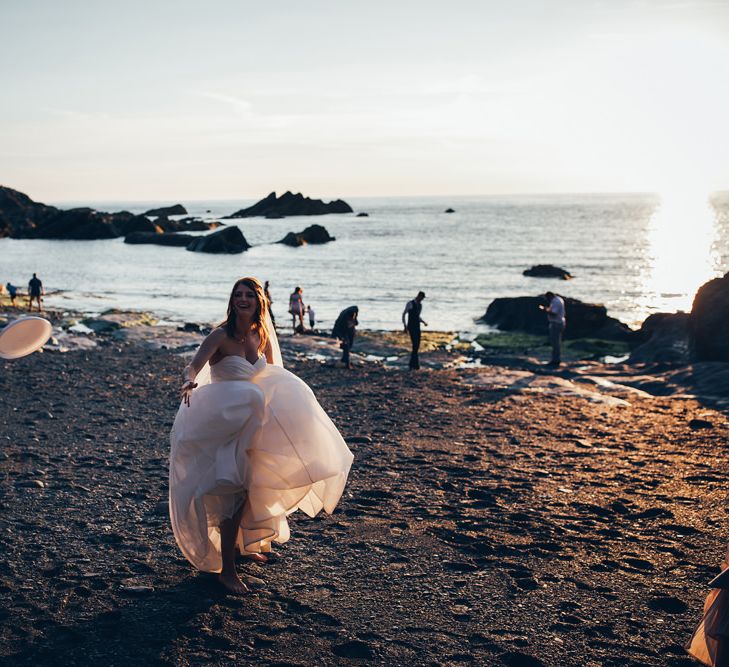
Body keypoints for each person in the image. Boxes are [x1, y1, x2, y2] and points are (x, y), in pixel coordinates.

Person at [169, 277, 353, 595]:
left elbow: (270, 374)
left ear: (258, 301)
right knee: (233, 493)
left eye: (248, 295)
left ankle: (241, 548)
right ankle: (227, 571)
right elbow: (194, 366)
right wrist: (188, 381)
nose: (243, 300)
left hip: (256, 424)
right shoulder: (220, 335)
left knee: (252, 488)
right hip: (227, 425)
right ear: (232, 300)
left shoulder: (261, 334)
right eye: (237, 295)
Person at [540, 291, 566, 367]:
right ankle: (556, 359)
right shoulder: (558, 299)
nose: (548, 301)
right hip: (559, 322)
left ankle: (555, 360)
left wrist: (545, 310)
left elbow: (554, 313)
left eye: (547, 299)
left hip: (556, 323)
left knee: (555, 342)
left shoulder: (556, 302)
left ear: (549, 297)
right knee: (556, 341)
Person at [402, 291, 427, 370]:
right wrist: (405, 326)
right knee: (415, 344)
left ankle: (413, 364)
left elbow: (417, 316)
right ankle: (415, 365)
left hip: (417, 326)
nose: (421, 300)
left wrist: (423, 322)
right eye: (421, 298)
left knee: (417, 345)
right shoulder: (410, 303)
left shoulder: (420, 305)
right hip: (411, 326)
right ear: (418, 296)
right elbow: (404, 314)